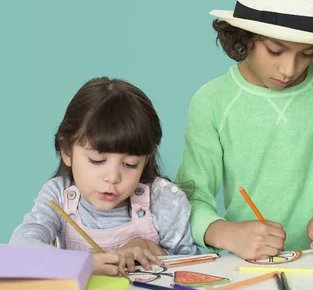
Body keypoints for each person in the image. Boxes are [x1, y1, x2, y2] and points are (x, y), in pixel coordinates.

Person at [176, 0, 313, 260]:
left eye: (305, 54)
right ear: (244, 37)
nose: (289, 69)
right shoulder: (211, 101)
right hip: (244, 262)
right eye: (276, 50)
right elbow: (191, 195)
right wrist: (223, 232)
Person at [11, 77, 196, 276]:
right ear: (66, 151)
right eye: (97, 160)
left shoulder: (164, 199)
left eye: (130, 164)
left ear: (146, 159)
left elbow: (198, 267)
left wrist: (155, 252)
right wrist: (84, 263)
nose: (113, 177)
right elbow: (20, 249)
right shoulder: (58, 195)